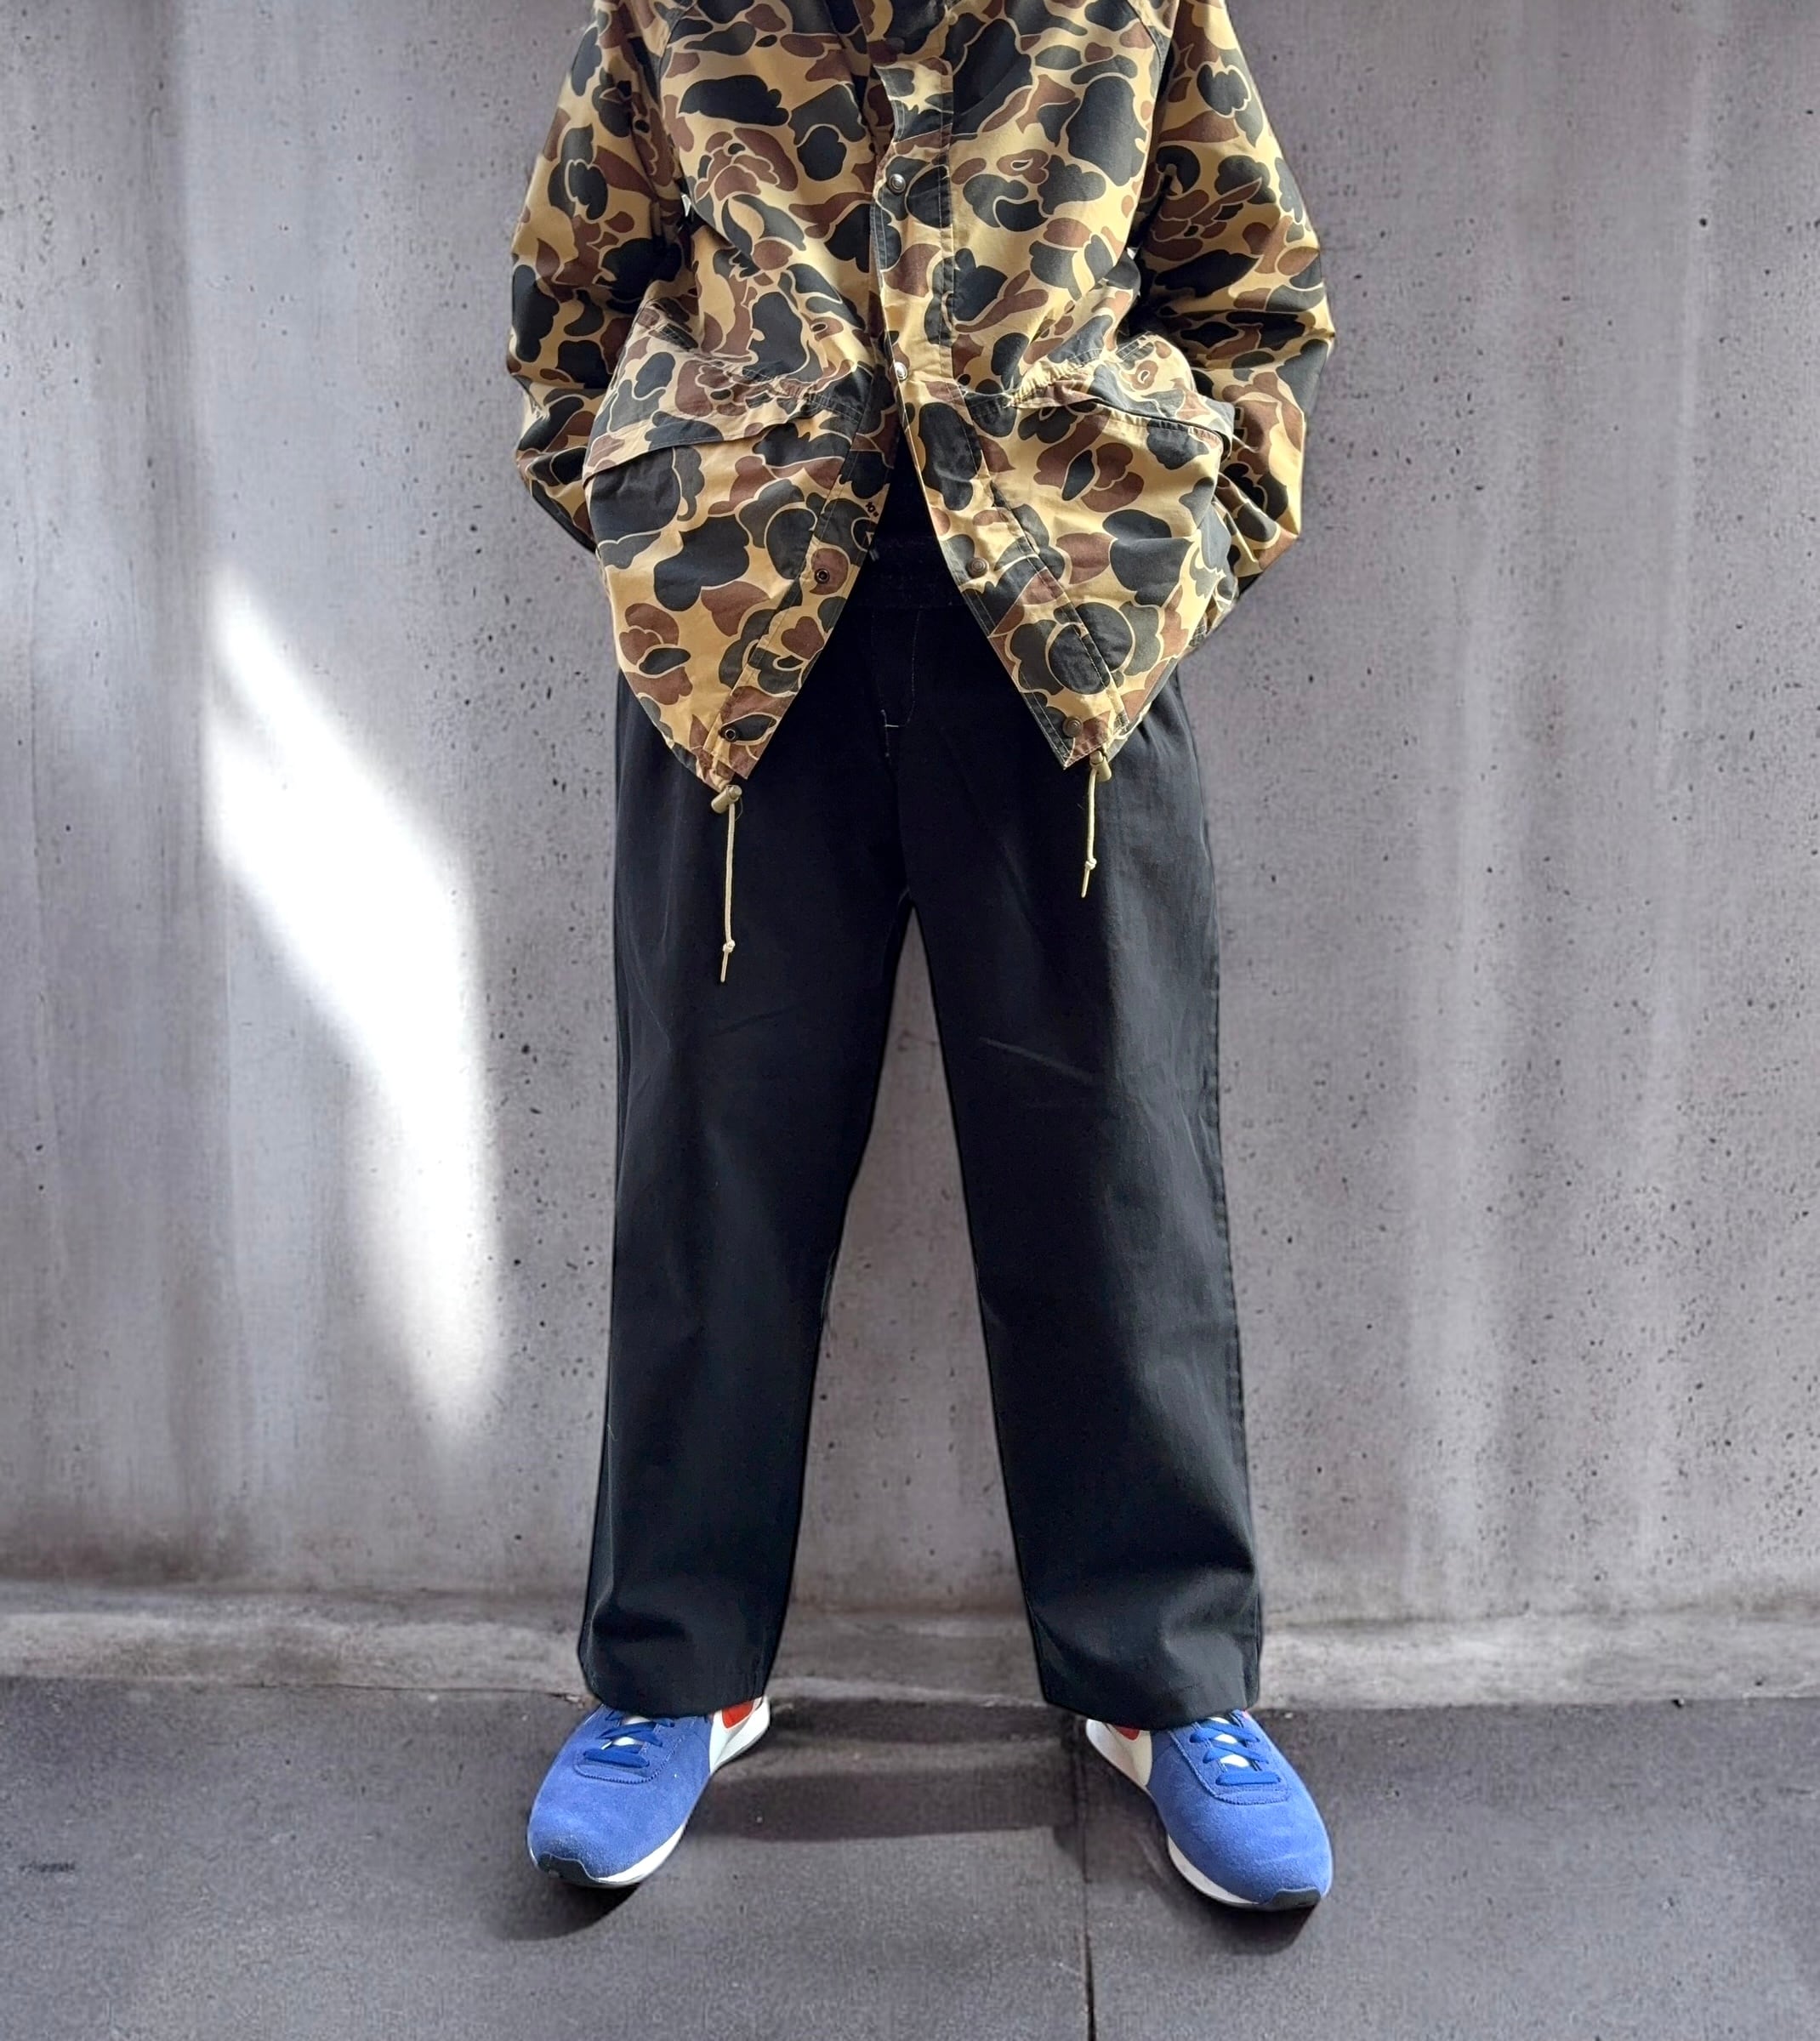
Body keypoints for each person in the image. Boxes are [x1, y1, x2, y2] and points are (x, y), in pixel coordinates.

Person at [505, 0, 1338, 1910]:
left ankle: (1163, 1683)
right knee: (711, 1166)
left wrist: (1172, 556)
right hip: (746, 659)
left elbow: (1255, 293)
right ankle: (676, 1676)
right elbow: (566, 305)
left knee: (1115, 1166)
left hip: (1061, 646)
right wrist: (665, 529)